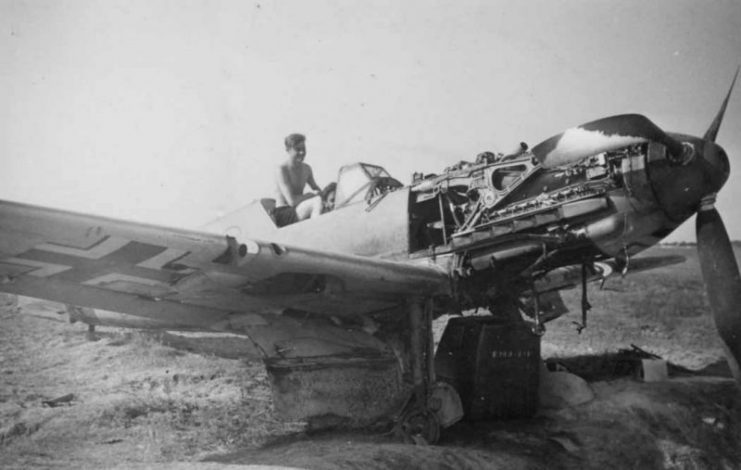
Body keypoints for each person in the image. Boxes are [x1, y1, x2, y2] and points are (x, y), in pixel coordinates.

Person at [273, 133, 324, 225]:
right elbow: (291, 201)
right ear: (288, 150)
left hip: (297, 209)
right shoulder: (281, 169)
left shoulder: (307, 168)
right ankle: (315, 233)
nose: (302, 153)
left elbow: (316, 189)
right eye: (298, 149)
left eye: (303, 149)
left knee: (324, 204)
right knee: (317, 201)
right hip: (283, 213)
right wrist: (311, 195)